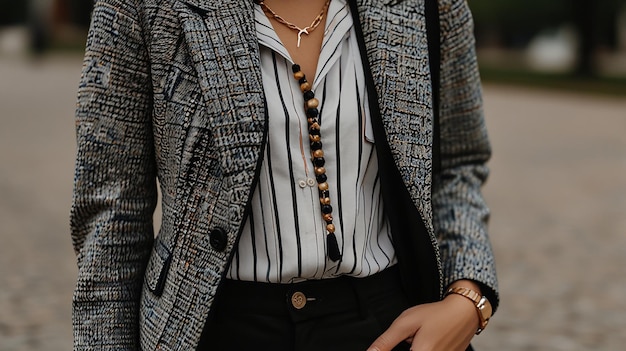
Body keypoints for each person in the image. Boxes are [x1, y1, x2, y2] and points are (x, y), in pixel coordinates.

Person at [70, 0, 499, 350]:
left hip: (390, 325)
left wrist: (468, 298)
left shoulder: (429, 5)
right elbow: (113, 212)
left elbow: (457, 165)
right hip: (216, 327)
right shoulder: (141, 7)